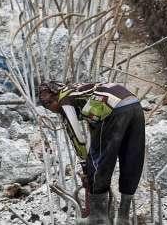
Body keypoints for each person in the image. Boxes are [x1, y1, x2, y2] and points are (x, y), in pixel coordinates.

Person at [38, 82, 146, 225]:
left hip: (112, 107)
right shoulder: (77, 91)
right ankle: (123, 217)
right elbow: (93, 124)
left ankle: (98, 217)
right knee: (132, 157)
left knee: (98, 161)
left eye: (49, 105)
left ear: (54, 98)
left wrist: (85, 166)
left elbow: (77, 137)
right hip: (134, 104)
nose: (52, 110)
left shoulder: (65, 101)